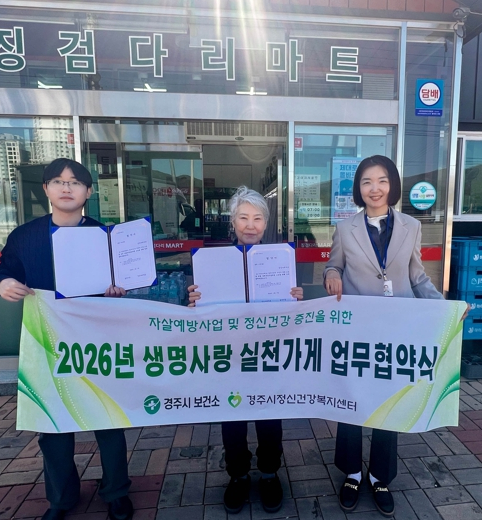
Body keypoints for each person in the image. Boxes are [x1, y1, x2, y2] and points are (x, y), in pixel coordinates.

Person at [0, 158, 133, 520]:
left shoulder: (105, 237)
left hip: (97, 342)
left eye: (75, 182)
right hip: (46, 341)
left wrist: (118, 290)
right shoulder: (25, 236)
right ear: (46, 189)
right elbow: (1, 271)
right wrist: (3, 283)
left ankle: (116, 492)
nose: (66, 188)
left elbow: (123, 281)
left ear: (89, 191)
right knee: (52, 424)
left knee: (107, 419)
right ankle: (61, 498)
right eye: (57, 181)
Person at [324, 155, 444, 517]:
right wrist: (332, 275)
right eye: (366, 182)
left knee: (388, 403)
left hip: (396, 330)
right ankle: (351, 473)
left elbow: (417, 276)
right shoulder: (346, 228)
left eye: (381, 181)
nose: (374, 188)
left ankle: (380, 476)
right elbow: (334, 264)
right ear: (358, 189)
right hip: (357, 331)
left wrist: (445, 307)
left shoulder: (411, 225)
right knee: (351, 400)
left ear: (392, 185)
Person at [188, 186, 303, 514]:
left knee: (270, 415)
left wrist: (296, 299)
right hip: (231, 354)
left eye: (257, 218)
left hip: (269, 352)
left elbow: (293, 313)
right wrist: (194, 300)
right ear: (232, 222)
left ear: (266, 224)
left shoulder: (279, 261)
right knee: (233, 416)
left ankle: (269, 473)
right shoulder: (212, 263)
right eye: (243, 218)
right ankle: (237, 475)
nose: (250, 225)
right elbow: (200, 310)